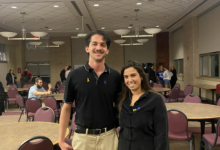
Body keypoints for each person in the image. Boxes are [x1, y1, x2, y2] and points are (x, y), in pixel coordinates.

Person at [59, 30, 121, 150]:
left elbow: (121, 107)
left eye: (103, 45)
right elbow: (66, 108)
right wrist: (61, 140)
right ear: (87, 48)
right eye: (94, 44)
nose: (98, 47)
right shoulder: (74, 75)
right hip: (83, 137)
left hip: (109, 136)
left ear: (107, 50)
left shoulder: (115, 76)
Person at [118, 60, 168, 150]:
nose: (129, 80)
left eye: (133, 75)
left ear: (141, 76)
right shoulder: (123, 100)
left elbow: (161, 135)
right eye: (126, 77)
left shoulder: (155, 100)